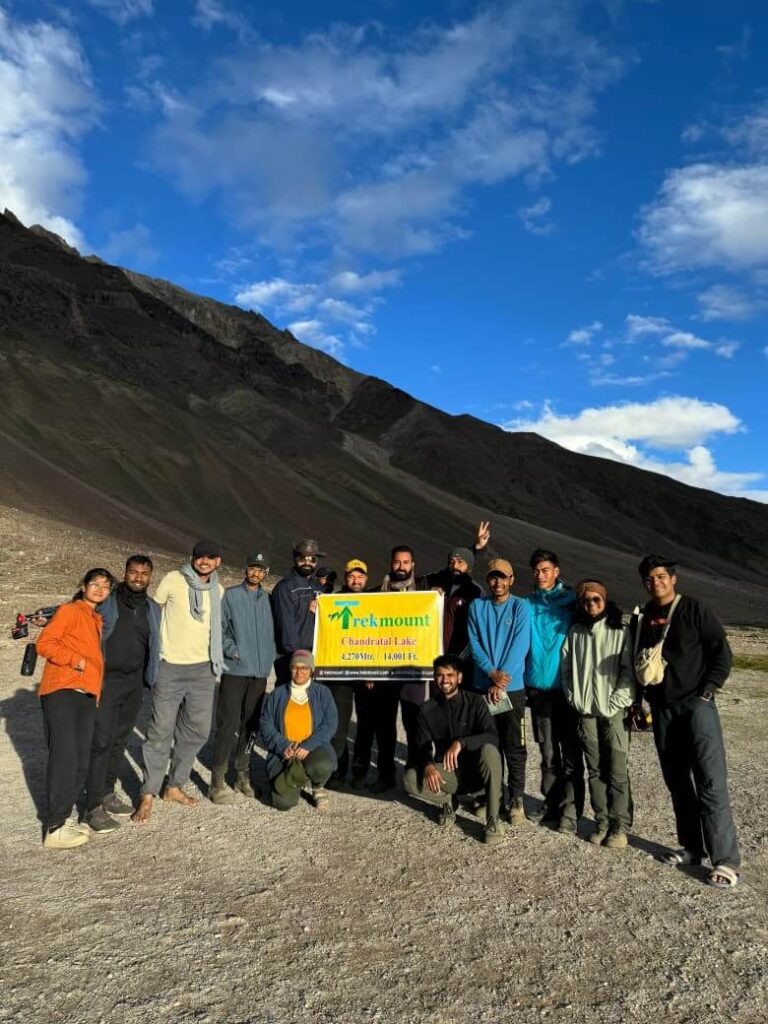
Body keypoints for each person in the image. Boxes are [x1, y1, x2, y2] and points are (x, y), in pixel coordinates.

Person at [635, 556, 740, 888]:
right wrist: (641, 702)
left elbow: (721, 652)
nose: (656, 582)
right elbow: (637, 661)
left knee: (710, 781)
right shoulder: (643, 617)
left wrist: (707, 692)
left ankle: (725, 861)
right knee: (678, 781)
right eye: (650, 578)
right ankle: (692, 848)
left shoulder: (694, 610)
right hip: (662, 709)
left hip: (696, 706)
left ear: (673, 578)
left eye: (661, 576)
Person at [380, 522, 490, 777]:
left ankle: (454, 770)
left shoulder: (475, 592)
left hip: (453, 664)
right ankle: (418, 762)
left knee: (449, 716)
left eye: (461, 563)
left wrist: (457, 663)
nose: (455, 565)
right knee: (420, 712)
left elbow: (473, 632)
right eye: (452, 561)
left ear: (469, 567)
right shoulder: (434, 580)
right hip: (423, 659)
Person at [133, 540, 225, 824]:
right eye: (200, 557)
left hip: (203, 669)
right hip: (170, 666)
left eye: (211, 557)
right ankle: (148, 792)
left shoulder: (218, 590)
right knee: (160, 729)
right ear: (192, 558)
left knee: (197, 730)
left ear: (218, 562)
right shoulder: (172, 580)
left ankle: (174, 785)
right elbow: (151, 614)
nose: (205, 561)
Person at [37, 568, 115, 849]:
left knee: (81, 759)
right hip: (63, 691)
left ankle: (66, 816)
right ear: (83, 586)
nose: (100, 589)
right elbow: (44, 643)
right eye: (95, 583)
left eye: (105, 586)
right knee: (65, 758)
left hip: (85, 695)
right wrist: (76, 660)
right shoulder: (71, 610)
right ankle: (55, 826)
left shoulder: (95, 618)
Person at [84, 555, 160, 833]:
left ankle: (106, 793)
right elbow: (80, 612)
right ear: (125, 573)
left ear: (151, 577)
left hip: (134, 683)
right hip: (106, 680)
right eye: (133, 572)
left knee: (118, 740)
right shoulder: (108, 601)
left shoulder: (152, 608)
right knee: (101, 741)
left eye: (144, 573)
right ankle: (91, 807)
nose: (138, 577)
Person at [561, 580, 635, 848]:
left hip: (612, 712)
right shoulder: (576, 632)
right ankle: (601, 821)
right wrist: (573, 697)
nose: (591, 604)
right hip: (585, 712)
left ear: (605, 600)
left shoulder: (620, 631)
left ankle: (620, 825)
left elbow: (628, 672)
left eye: (596, 599)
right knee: (594, 769)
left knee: (616, 768)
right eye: (586, 600)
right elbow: (566, 668)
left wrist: (616, 702)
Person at [404, 654, 504, 845]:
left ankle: (492, 820)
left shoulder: (475, 702)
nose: (444, 680)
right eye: (440, 675)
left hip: (477, 772)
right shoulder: (427, 709)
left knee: (490, 751)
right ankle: (448, 802)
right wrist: (428, 765)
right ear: (434, 678)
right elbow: (421, 744)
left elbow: (492, 735)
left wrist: (461, 743)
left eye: (449, 675)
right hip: (450, 773)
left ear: (459, 677)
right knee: (410, 779)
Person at [467, 559, 531, 826]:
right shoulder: (477, 606)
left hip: (511, 690)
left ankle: (516, 799)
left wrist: (501, 679)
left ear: (511, 579)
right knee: (487, 744)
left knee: (514, 745)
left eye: (503, 577)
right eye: (493, 577)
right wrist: (491, 673)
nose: (498, 582)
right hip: (483, 686)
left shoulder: (520, 606)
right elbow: (474, 642)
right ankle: (491, 794)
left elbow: (520, 644)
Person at [524, 548, 584, 829]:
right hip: (538, 689)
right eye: (536, 570)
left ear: (556, 572)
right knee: (548, 753)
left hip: (568, 690)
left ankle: (570, 812)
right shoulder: (527, 604)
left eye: (546, 570)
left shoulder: (572, 600)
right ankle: (550, 803)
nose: (540, 575)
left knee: (571, 753)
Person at [210, 551, 276, 804]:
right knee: (227, 723)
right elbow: (220, 628)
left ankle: (242, 773)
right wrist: (232, 650)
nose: (256, 573)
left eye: (261, 570)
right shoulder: (231, 596)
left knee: (251, 725)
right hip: (236, 670)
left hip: (259, 673)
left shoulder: (269, 600)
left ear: (265, 574)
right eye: (252, 568)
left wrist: (271, 655)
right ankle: (217, 778)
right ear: (245, 569)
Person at [259, 650, 338, 812]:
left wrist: (309, 745)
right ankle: (297, 777)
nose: (299, 672)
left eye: (304, 668)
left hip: (312, 749)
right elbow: (266, 724)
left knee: (322, 765)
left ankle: (317, 786)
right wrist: (282, 746)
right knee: (283, 803)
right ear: (290, 669)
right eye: (295, 667)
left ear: (311, 670)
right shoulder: (277, 695)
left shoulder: (322, 693)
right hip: (285, 752)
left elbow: (330, 723)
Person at [326, 558, 376, 789]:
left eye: (360, 576)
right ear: (346, 578)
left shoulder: (376, 603)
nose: (355, 580)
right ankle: (337, 770)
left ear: (366, 579)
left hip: (366, 674)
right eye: (351, 576)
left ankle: (359, 771)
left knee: (365, 726)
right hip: (340, 673)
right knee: (339, 725)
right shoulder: (333, 601)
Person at [271, 539, 324, 686]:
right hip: (292, 659)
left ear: (316, 561)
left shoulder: (318, 588)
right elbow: (286, 627)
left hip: (315, 658)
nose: (307, 562)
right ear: (295, 559)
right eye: (302, 558)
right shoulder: (285, 588)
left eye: (311, 559)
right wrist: (298, 659)